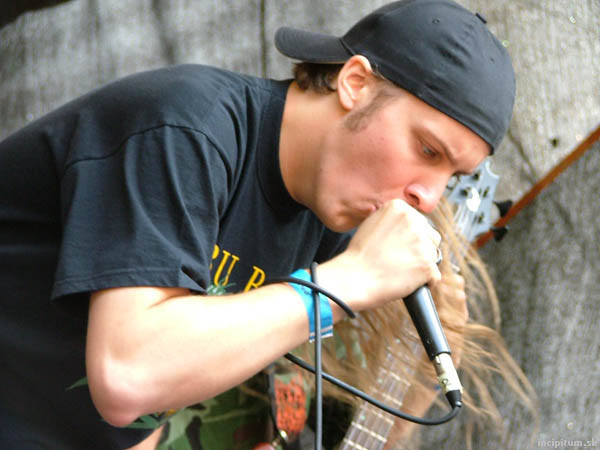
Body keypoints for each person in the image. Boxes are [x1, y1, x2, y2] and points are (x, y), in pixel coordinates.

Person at [0, 1, 537, 449]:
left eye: (452, 175)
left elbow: (140, 409)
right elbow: (127, 374)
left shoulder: (330, 213)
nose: (430, 196)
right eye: (427, 150)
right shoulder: (188, 129)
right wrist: (345, 282)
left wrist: (432, 357)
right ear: (355, 83)